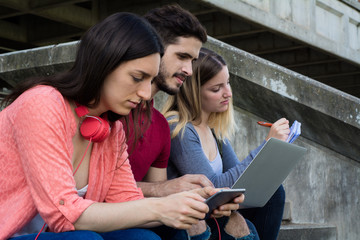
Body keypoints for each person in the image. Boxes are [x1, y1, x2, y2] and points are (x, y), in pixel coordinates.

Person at [0, 13, 241, 240]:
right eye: (137, 78)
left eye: (150, 79)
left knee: (145, 237)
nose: (147, 93)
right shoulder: (43, 103)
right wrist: (160, 207)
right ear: (103, 64)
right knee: (85, 239)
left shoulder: (112, 131)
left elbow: (128, 203)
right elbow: (64, 215)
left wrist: (194, 203)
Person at [124, 4, 258, 240]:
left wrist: (204, 203)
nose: (188, 70)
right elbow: (96, 190)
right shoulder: (118, 113)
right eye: (182, 56)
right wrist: (166, 191)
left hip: (142, 213)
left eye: (192, 60)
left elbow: (163, 194)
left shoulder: (159, 125)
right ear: (152, 48)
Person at [162, 47, 290, 240]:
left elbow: (239, 182)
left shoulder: (214, 128)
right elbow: (213, 188)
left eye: (228, 83)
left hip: (217, 212)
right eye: (216, 88)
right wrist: (266, 146)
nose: (228, 93)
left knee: (275, 192)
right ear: (194, 92)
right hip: (196, 216)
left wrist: (273, 158)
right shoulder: (179, 128)